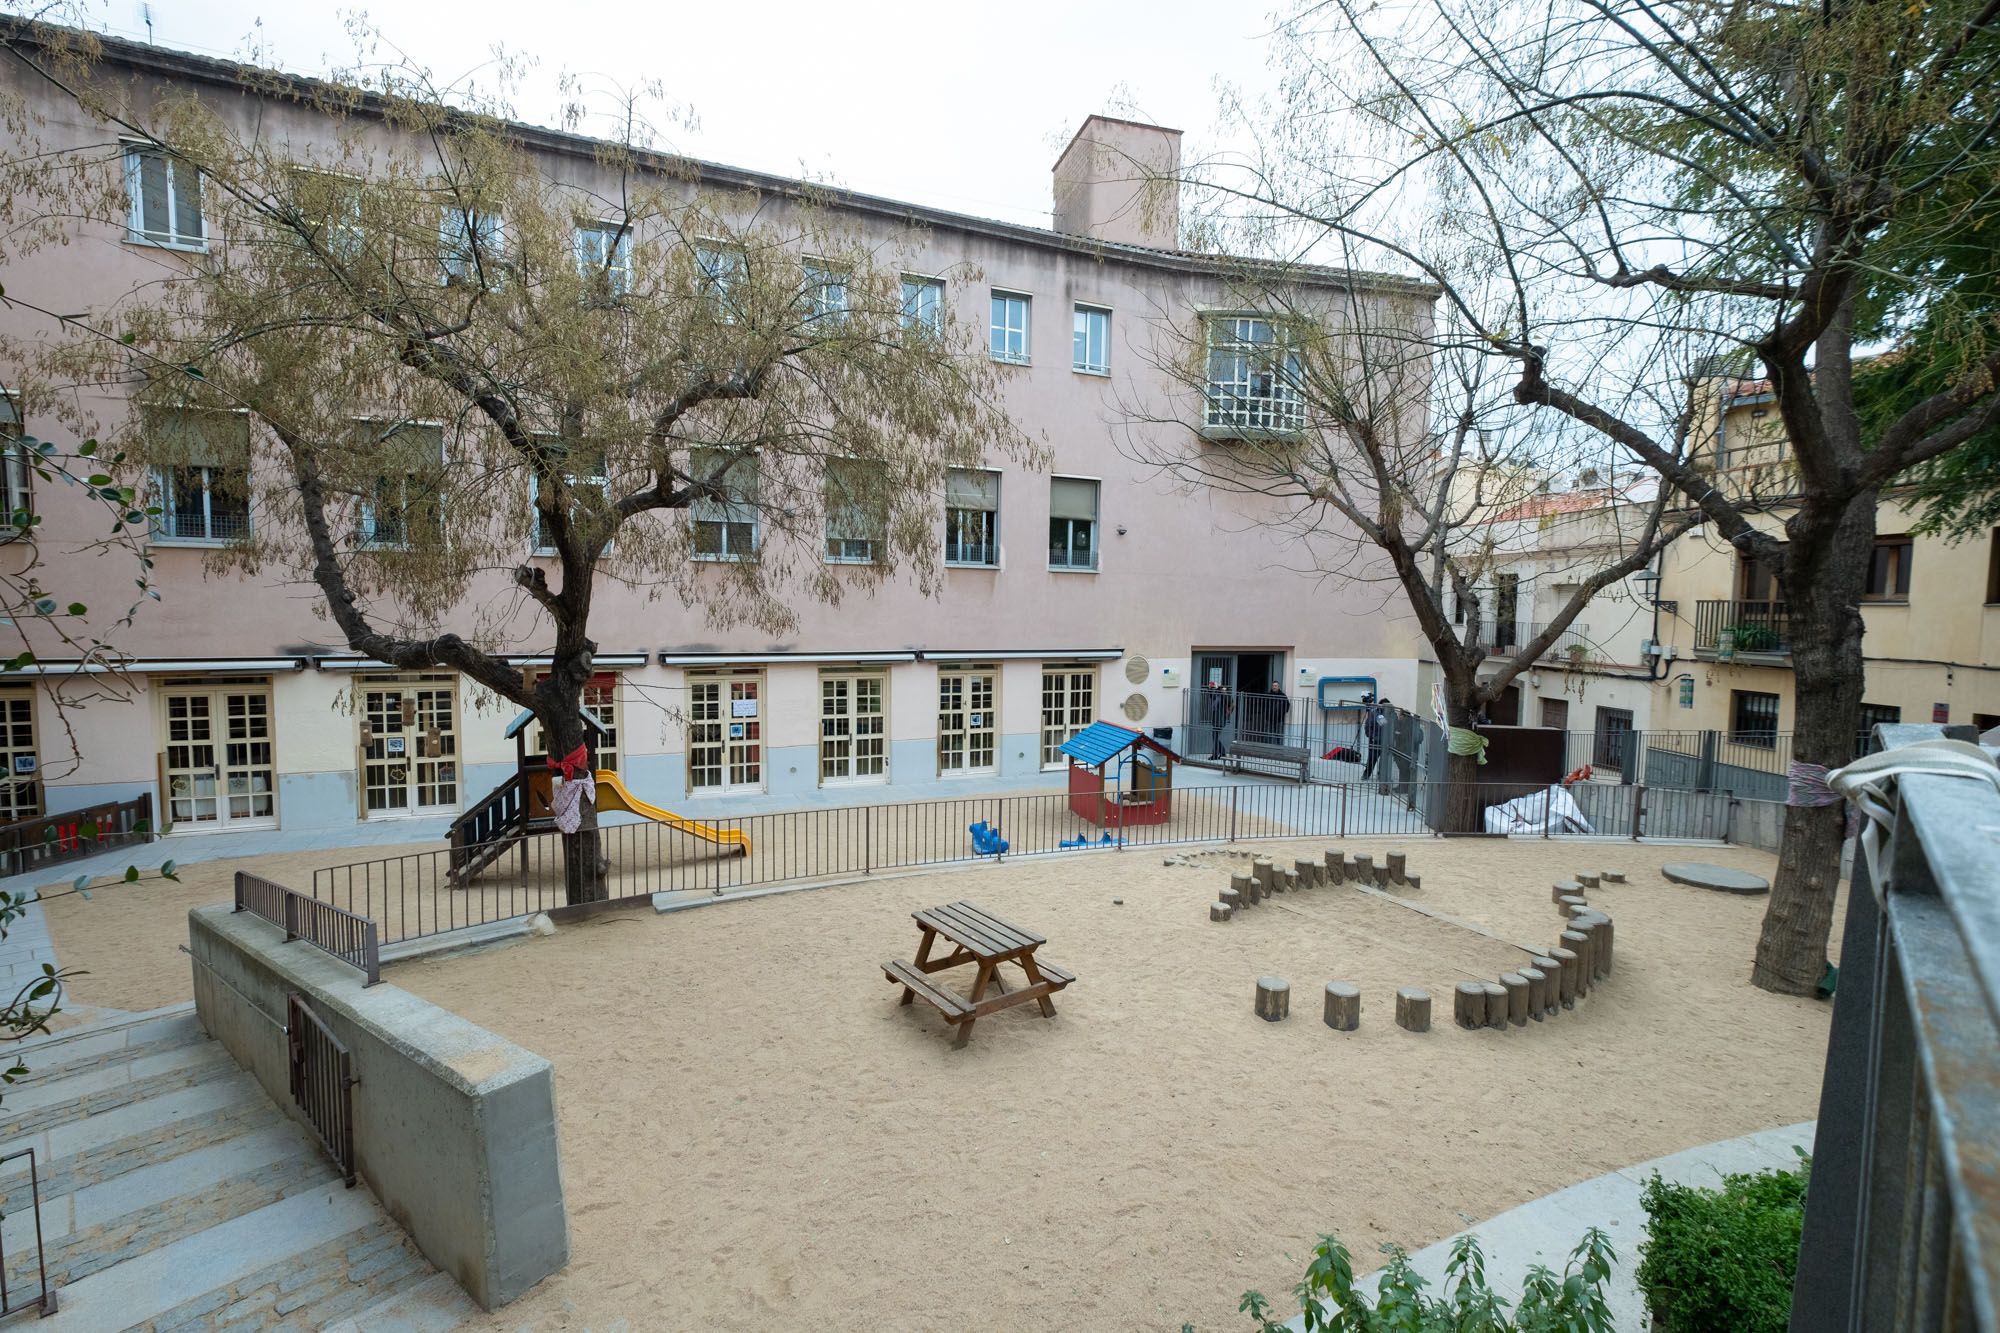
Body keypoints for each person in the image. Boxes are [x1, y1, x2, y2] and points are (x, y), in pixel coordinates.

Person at [1201, 681, 1234, 760]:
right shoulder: (1217, 696)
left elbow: (1229, 700)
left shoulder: (1224, 696)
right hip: (1216, 720)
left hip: (1221, 720)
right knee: (1215, 738)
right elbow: (1211, 695)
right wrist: (1209, 688)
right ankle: (1222, 753)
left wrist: (1223, 691)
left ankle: (1216, 755)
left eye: (1220, 689)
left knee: (1215, 738)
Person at [1361, 696, 1388, 779]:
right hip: (1375, 742)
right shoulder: (1374, 714)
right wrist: (1372, 737)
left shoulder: (1392, 714)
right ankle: (1366, 774)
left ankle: (1381, 776)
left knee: (1384, 762)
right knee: (1371, 760)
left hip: (1386, 743)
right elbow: (1368, 727)